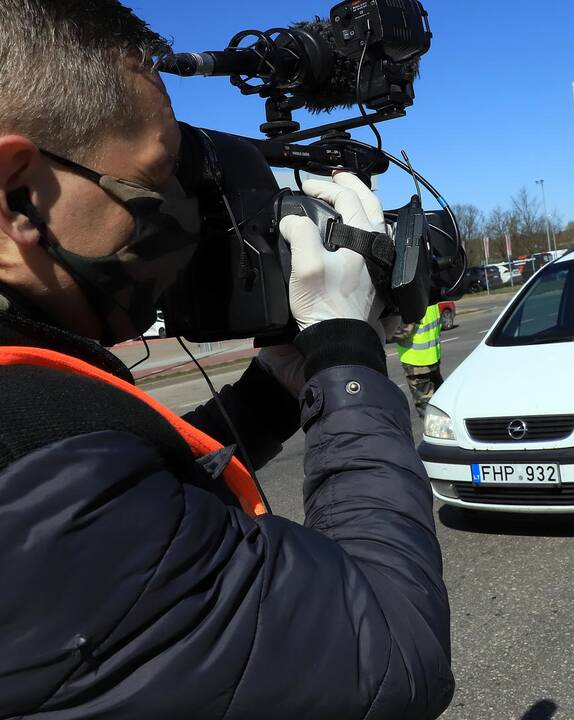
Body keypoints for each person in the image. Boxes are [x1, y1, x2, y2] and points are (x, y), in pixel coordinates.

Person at [0, 2, 453, 718]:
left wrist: (277, 385)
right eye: (156, 182)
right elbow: (395, 654)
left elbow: (131, 479)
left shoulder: (33, 416)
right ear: (16, 199)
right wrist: (344, 350)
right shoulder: (28, 465)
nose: (180, 214)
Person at [395, 303, 444, 418]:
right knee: (440, 403)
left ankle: (435, 434)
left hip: (416, 363)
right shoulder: (431, 299)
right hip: (432, 358)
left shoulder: (413, 300)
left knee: (426, 409)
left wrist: (386, 330)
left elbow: (403, 332)